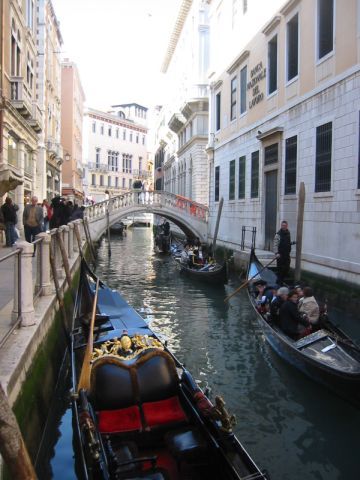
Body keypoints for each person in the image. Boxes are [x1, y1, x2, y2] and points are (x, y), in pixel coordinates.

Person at [273, 220, 295, 285]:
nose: (283, 226)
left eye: (285, 225)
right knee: (280, 269)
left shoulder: (288, 233)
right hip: (280, 255)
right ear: (281, 226)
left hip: (287, 254)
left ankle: (281, 281)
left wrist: (292, 243)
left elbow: (287, 242)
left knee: (287, 268)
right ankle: (279, 283)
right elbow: (275, 244)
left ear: (287, 226)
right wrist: (276, 253)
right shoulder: (278, 234)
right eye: (282, 225)